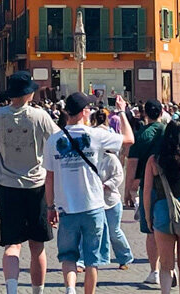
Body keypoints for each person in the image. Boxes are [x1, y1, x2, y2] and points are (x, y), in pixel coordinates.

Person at [0, 71, 59, 294]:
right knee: (37, 245)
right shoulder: (39, 116)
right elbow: (57, 138)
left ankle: (12, 290)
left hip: (8, 185)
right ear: (29, 94)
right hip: (36, 185)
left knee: (12, 245)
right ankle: (37, 291)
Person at [44, 92, 134, 294]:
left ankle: (70, 288)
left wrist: (50, 206)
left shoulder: (53, 140)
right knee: (92, 259)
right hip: (93, 205)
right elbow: (129, 139)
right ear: (84, 112)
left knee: (68, 256)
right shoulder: (96, 135)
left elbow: (49, 178)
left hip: (66, 206)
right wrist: (121, 112)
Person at [144, 121, 180, 294]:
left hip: (162, 211)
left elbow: (147, 191)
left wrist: (147, 216)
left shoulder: (154, 161)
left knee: (166, 265)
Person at [125, 98, 168, 286]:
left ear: (144, 114)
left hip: (147, 184)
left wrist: (128, 190)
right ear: (161, 112)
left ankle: (155, 271)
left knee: (151, 229)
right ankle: (170, 267)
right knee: (168, 227)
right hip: (170, 183)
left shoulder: (140, 135)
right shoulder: (169, 131)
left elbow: (132, 164)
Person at [91, 108, 135, 270]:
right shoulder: (92, 157)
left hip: (111, 201)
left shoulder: (111, 159)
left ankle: (125, 257)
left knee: (114, 231)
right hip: (94, 200)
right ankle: (85, 260)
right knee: (91, 232)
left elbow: (118, 177)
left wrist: (105, 185)